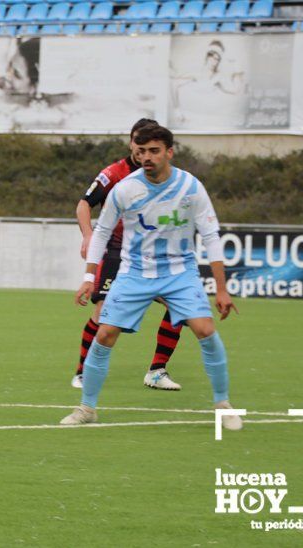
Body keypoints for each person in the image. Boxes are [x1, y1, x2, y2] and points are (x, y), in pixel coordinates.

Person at [61, 124, 242, 430]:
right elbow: (102, 231)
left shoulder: (191, 187)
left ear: (169, 152)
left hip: (179, 271)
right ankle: (87, 408)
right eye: (142, 151)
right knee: (104, 333)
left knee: (205, 330)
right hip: (134, 272)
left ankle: (223, 404)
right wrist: (89, 276)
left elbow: (211, 236)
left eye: (154, 151)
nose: (147, 157)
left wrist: (221, 289)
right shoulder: (125, 188)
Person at [73, 119, 183, 391]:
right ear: (132, 143)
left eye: (150, 145)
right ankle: (83, 372)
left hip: (149, 255)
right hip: (115, 252)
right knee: (104, 314)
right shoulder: (114, 173)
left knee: (178, 306)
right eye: (137, 141)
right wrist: (88, 235)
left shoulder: (169, 176)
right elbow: (84, 205)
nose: (142, 149)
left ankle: (157, 370)